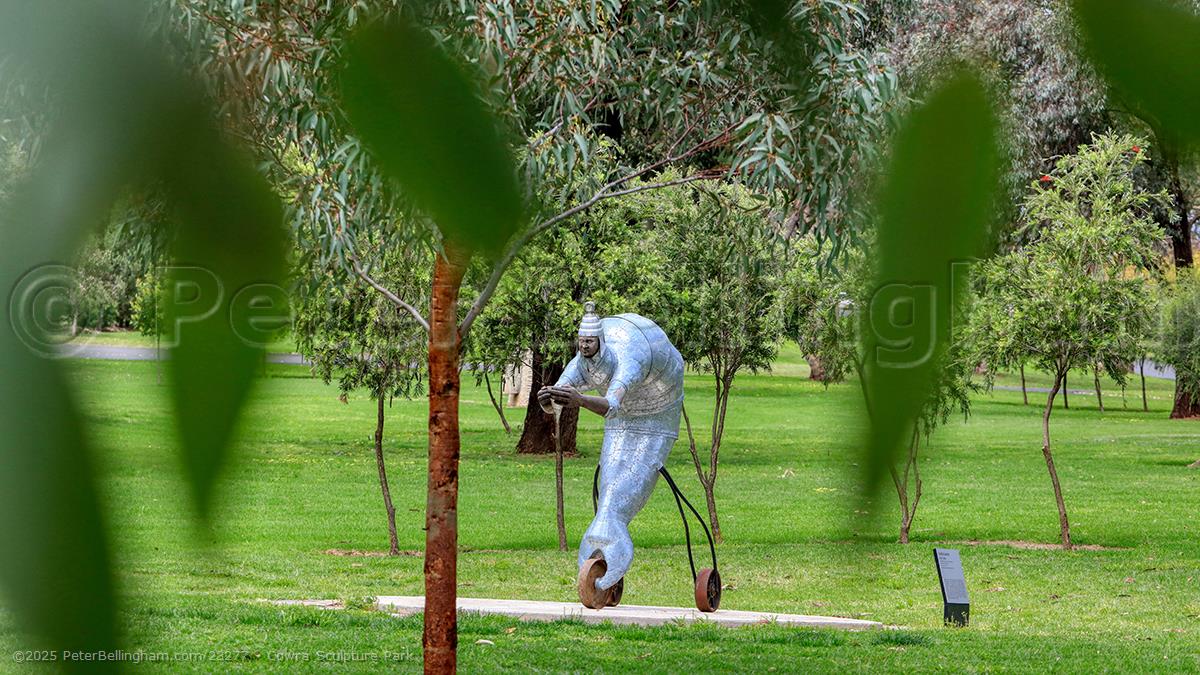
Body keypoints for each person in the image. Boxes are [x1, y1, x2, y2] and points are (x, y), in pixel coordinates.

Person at [538, 301, 685, 594]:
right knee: (610, 497)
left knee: (630, 484)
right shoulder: (582, 360)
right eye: (581, 342)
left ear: (601, 341)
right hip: (624, 413)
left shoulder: (629, 359)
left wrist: (577, 400)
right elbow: (560, 393)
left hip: (657, 411)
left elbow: (611, 407)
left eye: (590, 342)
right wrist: (548, 398)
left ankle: (612, 548)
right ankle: (606, 547)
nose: (584, 347)